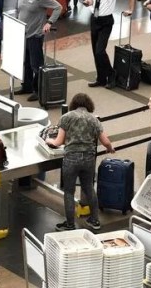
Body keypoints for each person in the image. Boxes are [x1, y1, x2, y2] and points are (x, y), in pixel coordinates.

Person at [45, 93, 114, 230]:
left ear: (74, 104)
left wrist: (48, 140)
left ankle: (70, 224)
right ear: (88, 105)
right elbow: (105, 141)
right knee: (89, 188)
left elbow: (58, 142)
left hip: (71, 158)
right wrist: (110, 149)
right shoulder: (94, 120)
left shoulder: (66, 117)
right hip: (88, 158)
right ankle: (94, 220)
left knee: (69, 192)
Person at [83, 0, 134, 87]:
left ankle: (111, 74)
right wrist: (89, 2)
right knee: (95, 51)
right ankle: (101, 78)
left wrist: (131, 9)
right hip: (94, 19)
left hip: (106, 21)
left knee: (100, 51)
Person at [15, 0, 62, 100]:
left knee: (36, 65)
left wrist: (49, 22)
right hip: (23, 34)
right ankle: (27, 86)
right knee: (26, 63)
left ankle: (39, 90)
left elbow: (58, 7)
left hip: (35, 35)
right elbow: (18, 10)